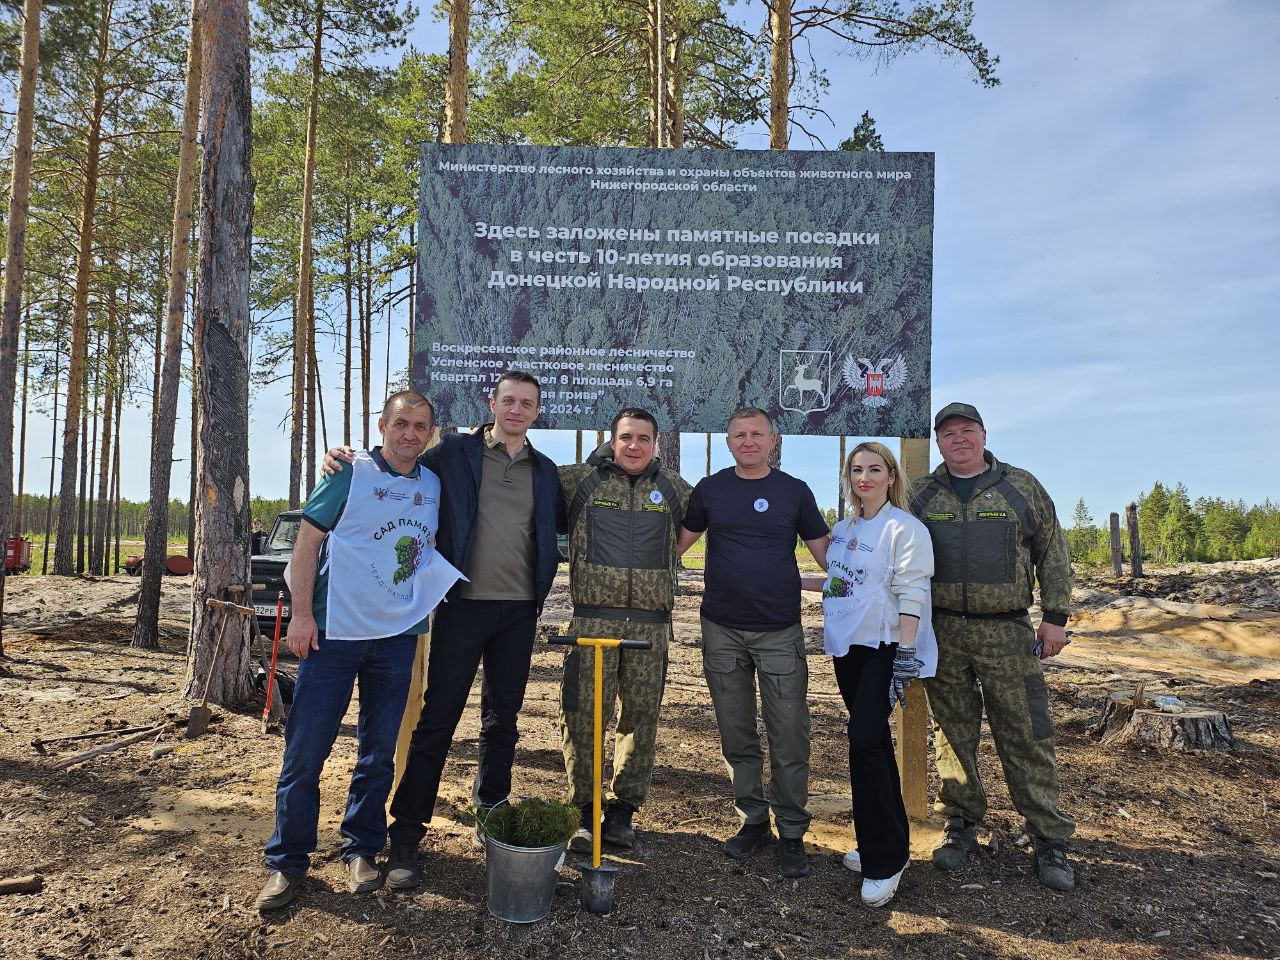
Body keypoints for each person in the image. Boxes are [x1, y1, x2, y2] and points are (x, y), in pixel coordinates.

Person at [319, 371, 562, 891]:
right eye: (508, 400)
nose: (517, 410)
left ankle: (491, 815)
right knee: (438, 720)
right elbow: (398, 465)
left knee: (503, 720)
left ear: (537, 411)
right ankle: (407, 834)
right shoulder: (454, 452)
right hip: (461, 608)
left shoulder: (545, 472)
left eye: (528, 403)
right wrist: (347, 459)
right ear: (492, 403)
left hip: (518, 613)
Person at [256, 391, 447, 911]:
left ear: (432, 433)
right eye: (401, 423)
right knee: (305, 753)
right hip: (332, 635)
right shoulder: (348, 472)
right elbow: (306, 545)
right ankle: (287, 862)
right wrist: (301, 614)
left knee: (378, 752)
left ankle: (361, 847)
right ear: (381, 426)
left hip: (396, 639)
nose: (410, 433)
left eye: (420, 426)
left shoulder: (432, 484)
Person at [910, 402, 1076, 891]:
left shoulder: (1020, 487)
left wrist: (1055, 618)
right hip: (942, 632)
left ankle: (1049, 839)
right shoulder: (921, 495)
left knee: (1026, 734)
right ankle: (961, 826)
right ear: (938, 443)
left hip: (1007, 633)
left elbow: (1053, 551)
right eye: (948, 433)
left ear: (983, 435)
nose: (958, 439)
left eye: (967, 431)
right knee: (953, 736)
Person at [676, 408, 829, 878]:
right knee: (736, 731)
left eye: (757, 434)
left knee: (788, 732)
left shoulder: (794, 492)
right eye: (739, 435)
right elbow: (674, 547)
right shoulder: (710, 491)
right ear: (728, 443)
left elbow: (830, 557)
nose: (748, 441)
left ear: (773, 440)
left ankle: (793, 831)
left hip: (779, 630)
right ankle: (753, 819)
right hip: (721, 628)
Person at [558, 407, 692, 852]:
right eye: (626, 437)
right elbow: (516, 476)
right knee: (583, 717)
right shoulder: (579, 481)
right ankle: (583, 810)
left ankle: (622, 812)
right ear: (612, 440)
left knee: (640, 720)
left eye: (643, 439)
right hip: (591, 621)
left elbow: (724, 509)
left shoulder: (673, 489)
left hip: (651, 629)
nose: (634, 446)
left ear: (655, 444)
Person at [816, 441, 935, 907]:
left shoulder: (904, 529)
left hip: (888, 646)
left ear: (891, 476)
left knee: (864, 737)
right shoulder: (844, 529)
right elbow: (840, 580)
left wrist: (906, 654)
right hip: (850, 650)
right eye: (856, 470)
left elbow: (911, 590)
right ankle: (884, 842)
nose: (864, 477)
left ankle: (884, 863)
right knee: (874, 744)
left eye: (874, 469)